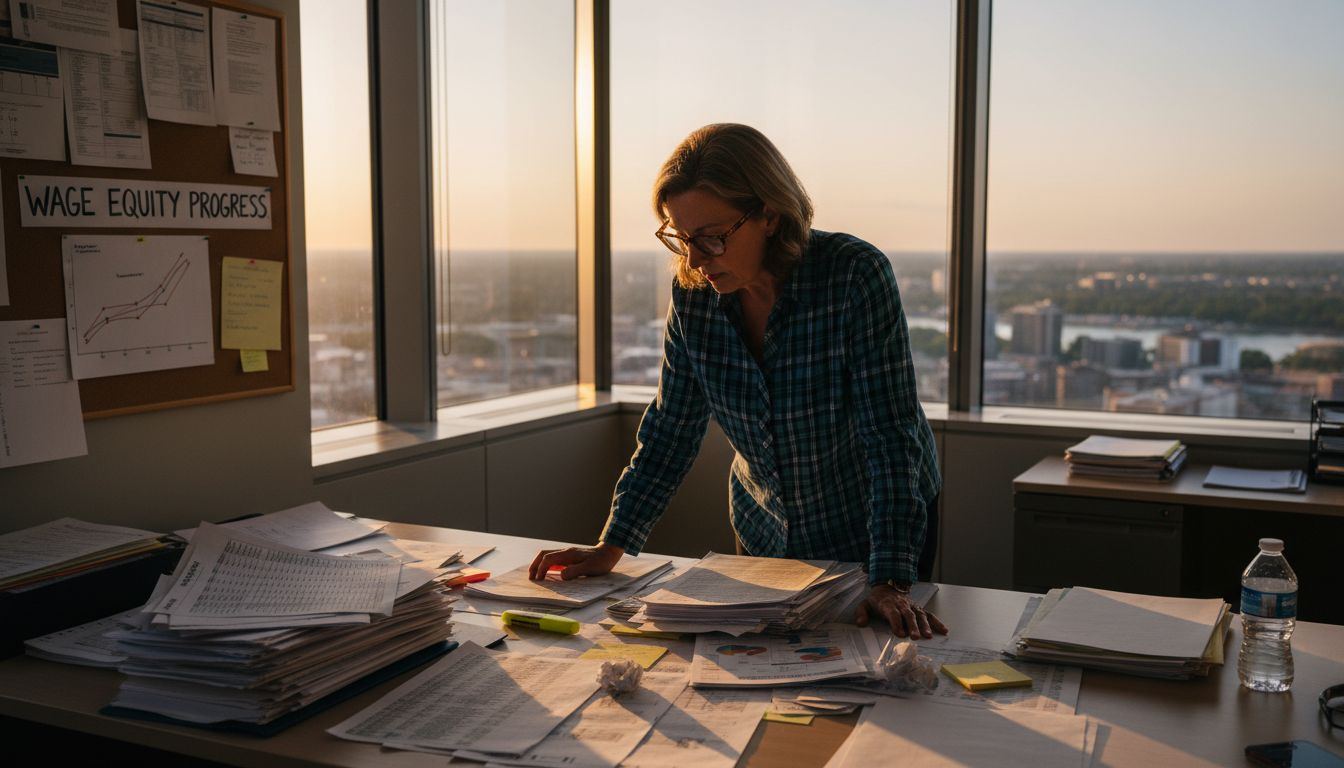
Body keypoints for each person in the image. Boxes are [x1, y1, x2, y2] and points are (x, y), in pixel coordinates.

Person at [530, 123, 945, 638]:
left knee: (879, 675)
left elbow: (890, 435)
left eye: (711, 237)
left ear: (769, 214)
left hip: (873, 524)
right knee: (759, 676)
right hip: (764, 529)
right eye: (681, 238)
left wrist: (890, 579)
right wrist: (612, 545)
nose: (695, 259)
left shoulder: (854, 275)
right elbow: (671, 428)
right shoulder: (694, 297)